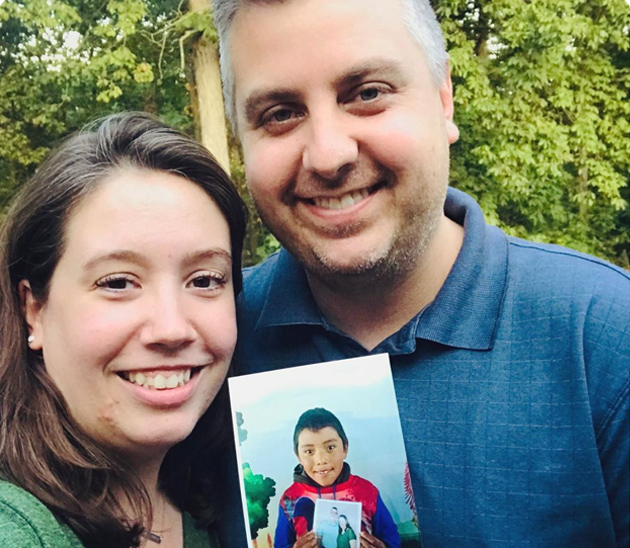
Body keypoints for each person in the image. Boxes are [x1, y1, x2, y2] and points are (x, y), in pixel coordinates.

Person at [210, 0, 630, 547]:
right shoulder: (209, 347)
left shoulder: (604, 337)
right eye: (280, 113)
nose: (328, 155)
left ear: (443, 98)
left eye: (367, 93)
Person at [0, 112, 247, 548]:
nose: (171, 328)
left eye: (205, 280)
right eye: (117, 283)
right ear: (33, 310)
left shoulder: (221, 508)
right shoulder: (17, 527)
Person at [274, 409, 400, 548]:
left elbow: (392, 540)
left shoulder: (367, 492)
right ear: (298, 456)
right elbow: (280, 544)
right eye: (309, 451)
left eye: (330, 447)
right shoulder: (290, 499)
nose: (321, 460)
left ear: (345, 448)